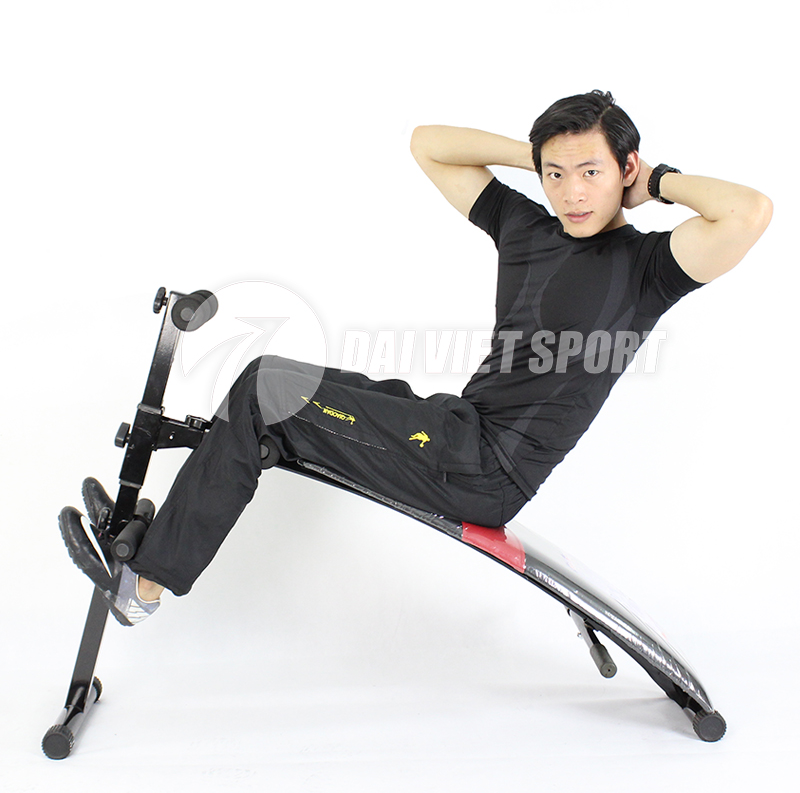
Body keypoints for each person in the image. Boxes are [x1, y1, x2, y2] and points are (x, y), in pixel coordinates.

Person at [65, 91, 772, 626]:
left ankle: (144, 583)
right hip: (454, 428)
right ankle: (151, 542)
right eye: (556, 174)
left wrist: (657, 182)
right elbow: (426, 143)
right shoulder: (526, 225)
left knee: (263, 392)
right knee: (269, 394)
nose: (572, 191)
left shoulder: (649, 267)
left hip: (484, 470)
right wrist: (535, 154)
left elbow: (749, 212)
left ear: (625, 168)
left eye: (591, 171)